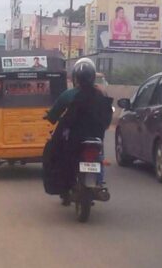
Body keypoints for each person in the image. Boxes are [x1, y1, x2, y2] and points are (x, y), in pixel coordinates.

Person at [44, 58, 113, 205]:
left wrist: (50, 117)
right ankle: (99, 183)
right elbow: (107, 117)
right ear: (93, 76)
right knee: (99, 154)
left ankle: (64, 185)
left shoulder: (69, 94)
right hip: (95, 136)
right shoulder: (101, 94)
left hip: (74, 139)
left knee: (59, 153)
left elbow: (55, 112)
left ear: (75, 77)